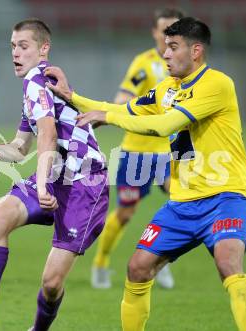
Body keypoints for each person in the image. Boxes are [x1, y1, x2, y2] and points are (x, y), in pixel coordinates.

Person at [46, 17, 246, 331]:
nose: (165, 54)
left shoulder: (217, 83)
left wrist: (108, 117)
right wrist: (72, 96)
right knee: (138, 268)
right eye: (165, 46)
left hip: (226, 195)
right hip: (183, 202)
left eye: (174, 47)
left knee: (228, 264)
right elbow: (124, 108)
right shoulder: (166, 89)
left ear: (196, 50)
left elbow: (165, 125)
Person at [0, 18, 109, 331]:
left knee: (51, 285)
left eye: (23, 46)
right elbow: (19, 149)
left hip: (85, 184)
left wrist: (40, 185)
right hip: (55, 177)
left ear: (43, 49)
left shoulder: (38, 80)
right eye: (13, 46)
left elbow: (48, 135)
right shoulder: (36, 86)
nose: (15, 53)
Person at [91, 7, 184, 290]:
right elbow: (124, 96)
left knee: (182, 205)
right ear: (155, 32)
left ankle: (160, 262)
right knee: (126, 213)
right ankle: (101, 262)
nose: (169, 36)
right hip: (137, 152)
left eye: (175, 30)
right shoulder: (144, 64)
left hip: (170, 152)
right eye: (164, 29)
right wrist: (121, 107)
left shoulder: (185, 66)